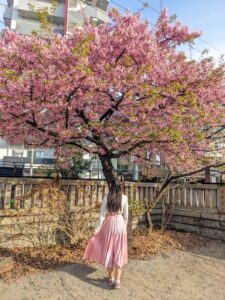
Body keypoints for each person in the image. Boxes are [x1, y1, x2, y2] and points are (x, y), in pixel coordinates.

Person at [83, 179, 128, 289]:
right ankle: (117, 281)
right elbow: (126, 216)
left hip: (108, 224)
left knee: (109, 251)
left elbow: (102, 216)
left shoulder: (106, 198)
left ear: (111, 187)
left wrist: (96, 230)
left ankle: (111, 278)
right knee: (119, 251)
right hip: (120, 225)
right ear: (120, 187)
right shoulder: (125, 198)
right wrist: (124, 228)